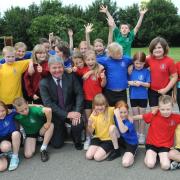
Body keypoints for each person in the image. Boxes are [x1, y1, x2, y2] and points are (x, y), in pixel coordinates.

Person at [39, 55, 84, 150]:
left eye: (59, 67)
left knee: (77, 122)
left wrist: (77, 111)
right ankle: (62, 129)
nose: (57, 70)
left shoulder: (71, 77)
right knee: (57, 144)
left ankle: (76, 137)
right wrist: (66, 115)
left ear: (63, 67)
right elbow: (48, 104)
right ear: (49, 68)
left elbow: (79, 94)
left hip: (71, 108)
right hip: (56, 114)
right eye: (54, 68)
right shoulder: (44, 83)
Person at [133, 95, 180, 170]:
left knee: (165, 166)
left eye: (168, 109)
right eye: (163, 109)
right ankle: (150, 154)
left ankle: (158, 156)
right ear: (159, 108)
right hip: (152, 144)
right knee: (150, 164)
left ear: (172, 107)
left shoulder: (176, 117)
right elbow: (141, 117)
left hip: (165, 146)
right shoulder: (154, 114)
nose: (165, 112)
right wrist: (129, 117)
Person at [75, 50, 106, 150]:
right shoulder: (83, 69)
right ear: (85, 61)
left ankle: (99, 137)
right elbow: (75, 69)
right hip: (87, 99)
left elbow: (103, 85)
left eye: (92, 59)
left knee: (99, 119)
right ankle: (89, 138)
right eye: (88, 60)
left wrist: (103, 78)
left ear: (96, 60)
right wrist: (73, 68)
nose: (90, 61)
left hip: (97, 100)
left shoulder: (100, 70)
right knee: (89, 120)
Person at [13, 97, 54, 162]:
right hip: (30, 134)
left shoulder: (33, 110)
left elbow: (48, 110)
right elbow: (5, 111)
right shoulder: (15, 114)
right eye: (21, 111)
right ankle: (38, 140)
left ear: (27, 104)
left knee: (51, 125)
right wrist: (33, 104)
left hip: (41, 130)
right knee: (28, 155)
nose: (25, 111)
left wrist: (48, 122)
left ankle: (43, 148)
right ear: (17, 111)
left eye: (26, 108)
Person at [146, 37, 177, 110]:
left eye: (159, 47)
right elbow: (138, 63)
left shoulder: (169, 61)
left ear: (164, 48)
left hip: (166, 91)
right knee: (154, 113)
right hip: (152, 91)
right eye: (154, 48)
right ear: (151, 49)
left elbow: (174, 77)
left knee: (165, 113)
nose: (157, 50)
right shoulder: (149, 59)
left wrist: (166, 89)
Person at [128, 52, 150, 144]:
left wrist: (141, 83)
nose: (138, 65)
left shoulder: (146, 71)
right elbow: (126, 81)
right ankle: (136, 133)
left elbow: (148, 84)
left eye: (140, 63)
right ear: (133, 62)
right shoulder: (131, 71)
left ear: (144, 63)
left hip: (143, 97)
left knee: (142, 117)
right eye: (136, 63)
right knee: (135, 116)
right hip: (133, 97)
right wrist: (131, 83)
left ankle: (142, 134)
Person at [107, 101, 138, 167]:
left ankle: (132, 153)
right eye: (121, 112)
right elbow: (103, 108)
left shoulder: (129, 121)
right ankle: (116, 151)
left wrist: (118, 117)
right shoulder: (115, 114)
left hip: (131, 143)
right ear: (117, 111)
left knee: (125, 163)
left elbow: (123, 130)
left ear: (128, 111)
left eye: (125, 112)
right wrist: (94, 112)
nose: (123, 115)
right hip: (122, 139)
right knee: (112, 128)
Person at [86, 93, 114, 161]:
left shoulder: (110, 110)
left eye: (102, 105)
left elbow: (121, 109)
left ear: (105, 104)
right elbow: (91, 132)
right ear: (94, 106)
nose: (100, 107)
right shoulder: (93, 115)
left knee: (97, 158)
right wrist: (89, 125)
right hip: (98, 138)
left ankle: (110, 151)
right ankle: (100, 149)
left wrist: (129, 116)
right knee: (88, 156)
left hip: (108, 139)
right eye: (97, 105)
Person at [0, 101, 21, 171]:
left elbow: (22, 107)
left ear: (6, 109)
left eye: (3, 111)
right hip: (2, 142)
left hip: (13, 138)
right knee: (2, 168)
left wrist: (38, 106)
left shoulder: (11, 113)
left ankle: (15, 156)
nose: (1, 113)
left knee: (15, 133)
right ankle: (5, 155)